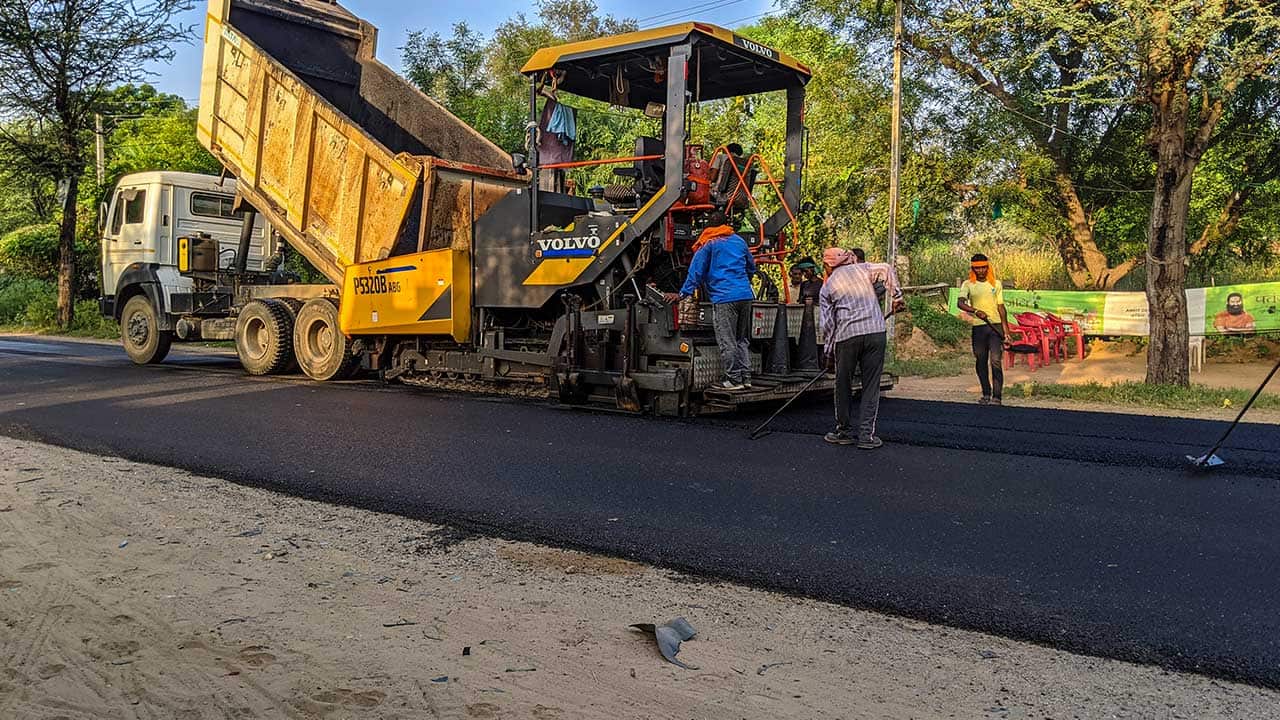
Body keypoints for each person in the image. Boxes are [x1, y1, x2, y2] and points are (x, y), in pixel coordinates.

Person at [819, 247, 904, 448]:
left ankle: (844, 431)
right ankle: (866, 436)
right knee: (871, 386)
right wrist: (897, 297)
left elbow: (828, 325)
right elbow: (886, 269)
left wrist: (828, 354)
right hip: (875, 332)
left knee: (843, 385)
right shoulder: (863, 269)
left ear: (828, 265)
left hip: (846, 337)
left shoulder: (827, 286)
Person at [665, 211, 757, 390]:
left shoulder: (709, 243)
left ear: (709, 227)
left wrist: (683, 294)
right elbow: (751, 267)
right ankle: (746, 378)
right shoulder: (739, 241)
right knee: (741, 340)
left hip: (724, 298)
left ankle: (734, 380)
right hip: (745, 296)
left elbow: (696, 271)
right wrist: (743, 283)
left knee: (727, 340)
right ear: (726, 224)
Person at [956, 253, 1010, 406]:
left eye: (983, 267)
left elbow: (1001, 307)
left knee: (995, 361)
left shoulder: (996, 284)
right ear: (973, 268)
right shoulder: (967, 284)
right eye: (977, 268)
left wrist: (1006, 332)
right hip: (979, 327)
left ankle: (997, 396)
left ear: (988, 267)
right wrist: (974, 311)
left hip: (995, 327)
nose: (981, 271)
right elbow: (960, 303)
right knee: (981, 360)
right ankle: (986, 393)